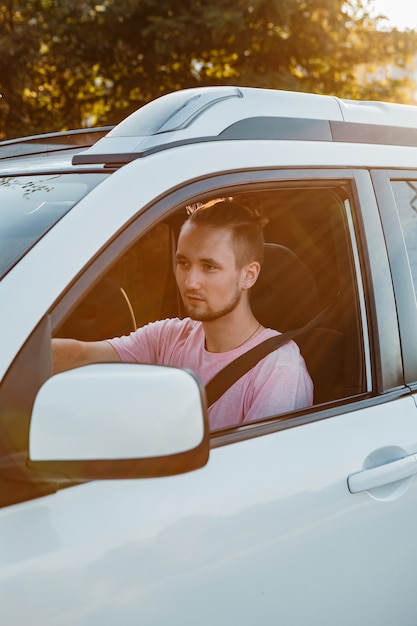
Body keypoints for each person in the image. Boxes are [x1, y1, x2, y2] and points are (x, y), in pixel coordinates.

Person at [52, 197, 313, 430]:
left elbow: (258, 476)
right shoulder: (169, 337)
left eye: (209, 267)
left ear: (248, 275)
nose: (190, 282)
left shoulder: (278, 371)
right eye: (183, 263)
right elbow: (78, 354)